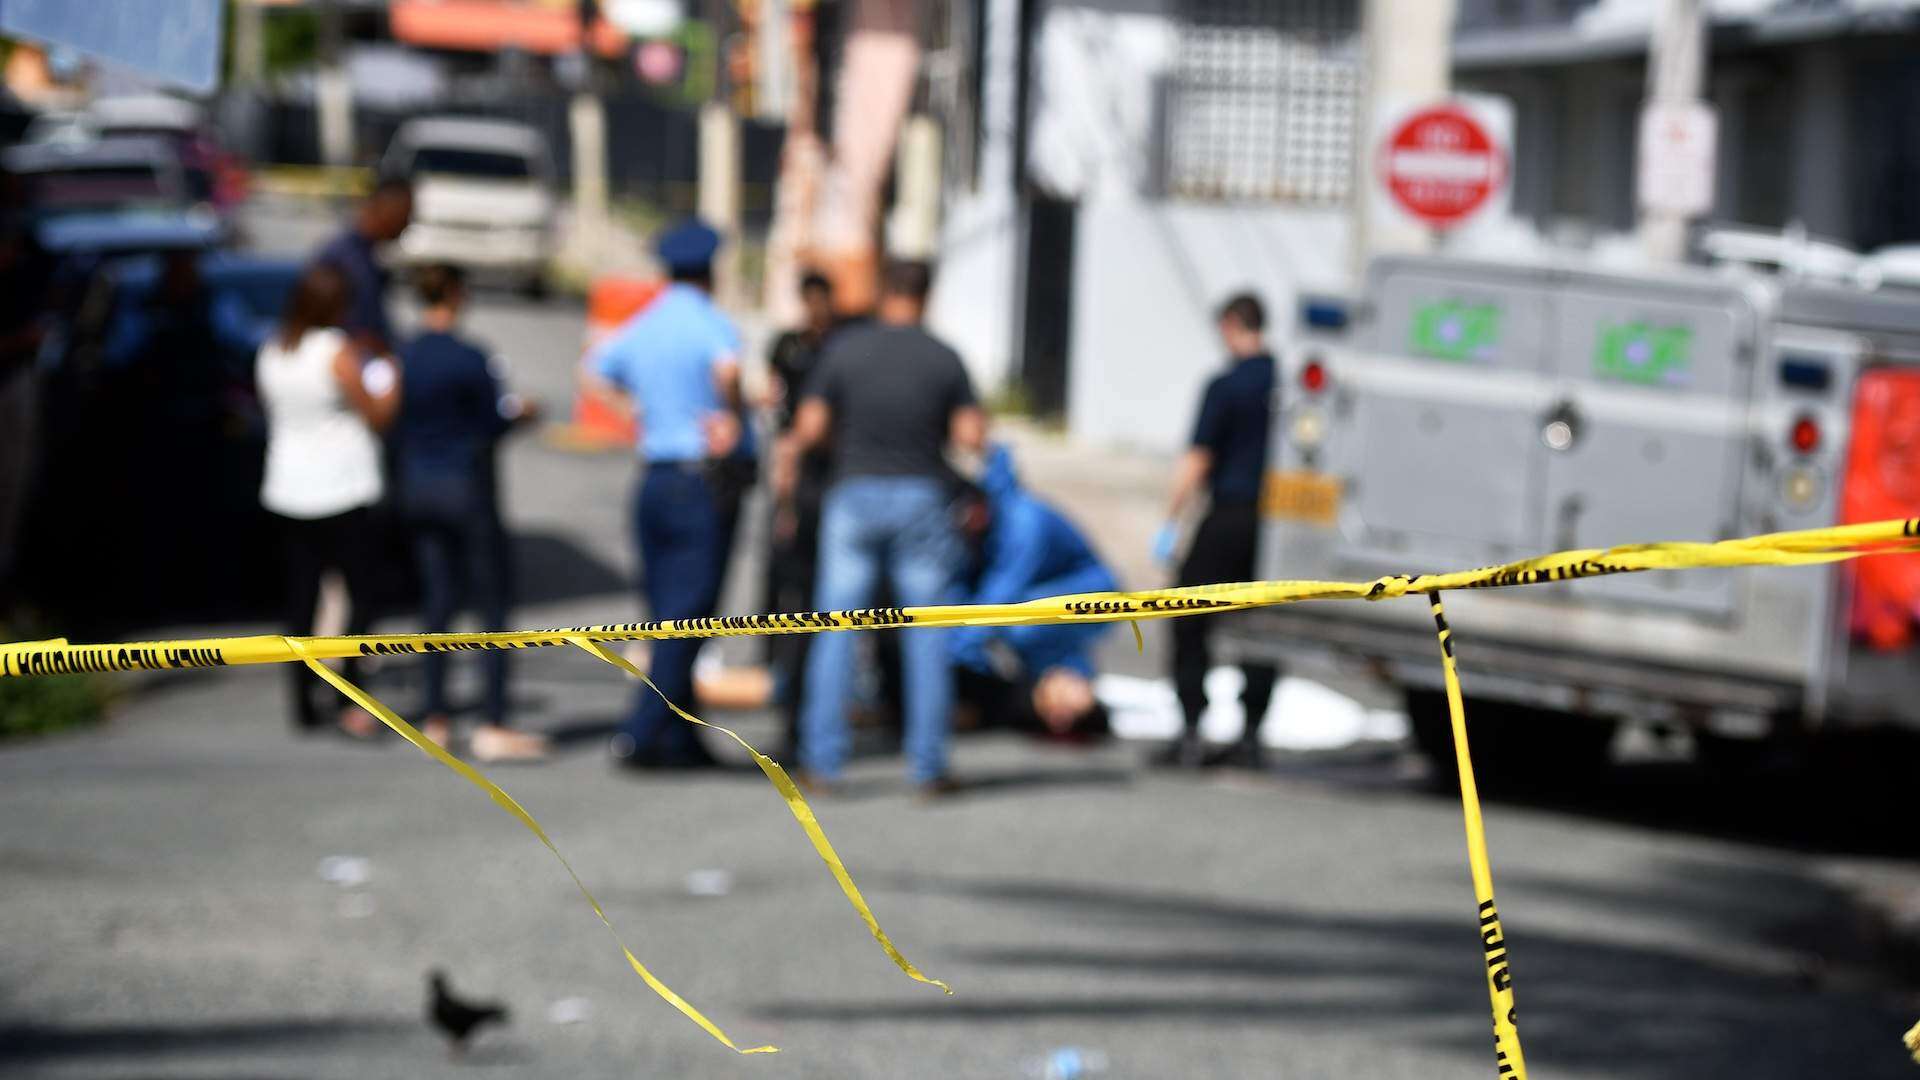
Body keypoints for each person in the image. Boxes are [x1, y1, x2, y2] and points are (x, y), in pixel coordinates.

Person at [778, 258, 986, 795]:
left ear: (881, 293)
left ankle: (821, 761)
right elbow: (970, 437)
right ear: (926, 295)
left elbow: (808, 427)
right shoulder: (944, 357)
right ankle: (928, 765)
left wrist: (844, 445)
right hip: (921, 495)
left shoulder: (846, 350)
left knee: (835, 630)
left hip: (854, 492)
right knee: (925, 633)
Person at [583, 219, 750, 770]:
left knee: (664, 613)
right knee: (691, 613)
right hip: (700, 481)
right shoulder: (711, 324)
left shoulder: (644, 325)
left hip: (654, 474)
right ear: (710, 271)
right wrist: (730, 415)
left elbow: (595, 370)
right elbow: (727, 375)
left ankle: (681, 735)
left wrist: (641, 417)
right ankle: (641, 731)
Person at [393, 264, 547, 762]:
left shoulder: (405, 355)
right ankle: (493, 718)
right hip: (467, 488)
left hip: (419, 487)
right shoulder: (470, 357)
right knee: (492, 603)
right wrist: (521, 415)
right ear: (456, 296)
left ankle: (435, 713)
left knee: (437, 599)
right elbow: (490, 422)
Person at [257, 262, 400, 737]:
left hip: (287, 488)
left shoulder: (274, 349)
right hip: (341, 488)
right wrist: (391, 375)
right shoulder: (336, 352)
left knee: (299, 599)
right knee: (362, 597)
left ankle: (300, 699)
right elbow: (377, 413)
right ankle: (349, 694)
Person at [1153, 292, 1280, 770]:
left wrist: (1170, 519)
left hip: (1227, 515)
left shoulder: (1225, 385)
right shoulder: (1284, 383)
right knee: (1266, 625)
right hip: (1274, 524)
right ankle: (1251, 733)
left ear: (1231, 325)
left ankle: (1190, 727)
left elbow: (1198, 457)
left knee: (1187, 613)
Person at [951, 444, 1117, 738]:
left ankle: (1072, 694)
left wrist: (957, 643)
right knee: (1028, 637)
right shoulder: (989, 521)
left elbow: (1000, 596)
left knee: (1019, 628)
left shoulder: (1023, 521)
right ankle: (1068, 690)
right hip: (1047, 597)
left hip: (1093, 594)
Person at [764, 270, 838, 756]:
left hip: (826, 481)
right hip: (803, 482)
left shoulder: (840, 347)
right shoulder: (788, 345)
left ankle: (808, 713)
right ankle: (791, 708)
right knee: (789, 600)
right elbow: (776, 409)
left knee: (818, 605)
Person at [314, 176, 414, 359]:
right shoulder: (346, 259)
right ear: (389, 210)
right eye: (406, 215)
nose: (406, 225)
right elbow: (354, 333)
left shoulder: (364, 255)